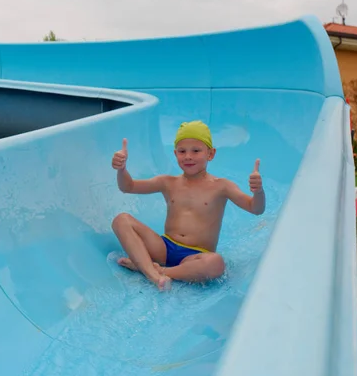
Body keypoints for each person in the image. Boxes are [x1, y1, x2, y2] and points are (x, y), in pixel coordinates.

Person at [111, 120, 265, 290]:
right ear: (175, 154)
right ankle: (153, 274)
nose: (188, 156)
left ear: (211, 154)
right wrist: (122, 169)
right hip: (164, 247)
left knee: (216, 263)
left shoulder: (222, 186)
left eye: (196, 151)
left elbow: (255, 209)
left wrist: (258, 192)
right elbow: (128, 186)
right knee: (121, 220)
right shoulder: (168, 182)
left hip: (195, 256)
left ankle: (153, 268)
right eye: (182, 151)